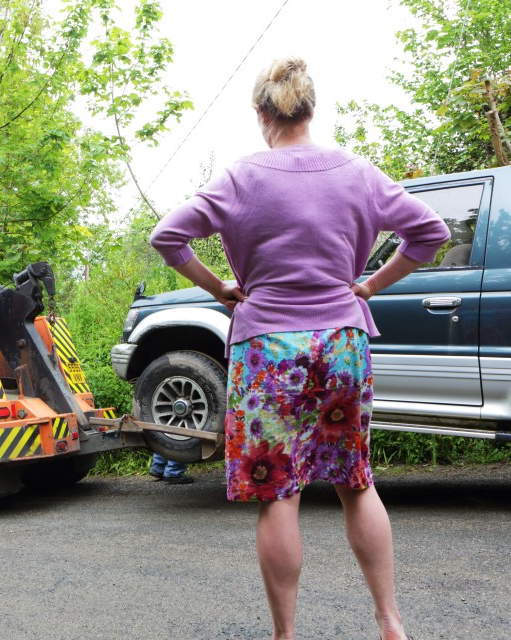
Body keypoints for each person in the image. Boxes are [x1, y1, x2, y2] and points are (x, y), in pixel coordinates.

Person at [149, 57, 447, 640]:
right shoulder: (358, 174)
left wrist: (223, 290)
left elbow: (168, 237)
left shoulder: (240, 178)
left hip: (268, 349)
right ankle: (390, 621)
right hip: (342, 340)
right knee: (356, 482)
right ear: (310, 110)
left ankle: (286, 635)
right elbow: (430, 232)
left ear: (262, 114)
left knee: (278, 492)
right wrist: (368, 286)